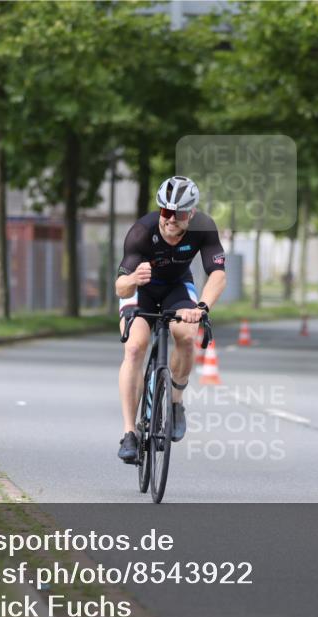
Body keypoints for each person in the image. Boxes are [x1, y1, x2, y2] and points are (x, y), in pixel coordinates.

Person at [115, 176, 227, 463]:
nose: (170, 220)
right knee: (135, 347)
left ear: (190, 213)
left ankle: (176, 402)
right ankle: (129, 432)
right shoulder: (142, 231)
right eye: (165, 212)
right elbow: (120, 287)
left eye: (177, 214)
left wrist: (201, 307)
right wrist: (132, 279)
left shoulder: (204, 227)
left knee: (187, 335)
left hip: (177, 286)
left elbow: (217, 274)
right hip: (141, 289)